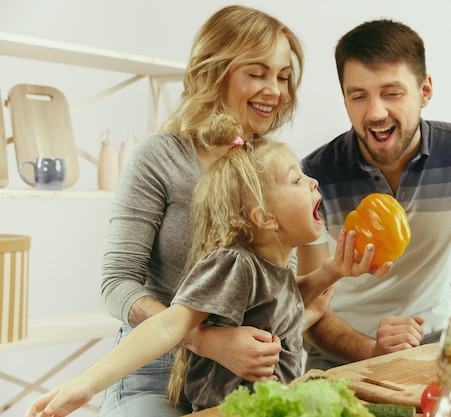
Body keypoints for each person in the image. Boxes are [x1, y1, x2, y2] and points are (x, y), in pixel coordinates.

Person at [27, 113, 384, 417]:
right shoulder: (235, 265)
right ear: (264, 216)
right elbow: (168, 326)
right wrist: (85, 385)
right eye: (296, 180)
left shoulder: (272, 268)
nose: (313, 182)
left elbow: (284, 299)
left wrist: (333, 270)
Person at [297, 18, 451, 371]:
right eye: (359, 96)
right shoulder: (312, 179)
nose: (375, 113)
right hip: (339, 359)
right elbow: (309, 303)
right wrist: (372, 351)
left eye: (392, 93)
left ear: (425, 91)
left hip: (435, 349)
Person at [97, 6, 311, 417]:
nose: (275, 90)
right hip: (154, 372)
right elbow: (117, 282)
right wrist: (204, 339)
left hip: (241, 381)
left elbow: (276, 292)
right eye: (257, 73)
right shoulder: (160, 156)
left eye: (283, 76)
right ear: (215, 70)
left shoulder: (273, 170)